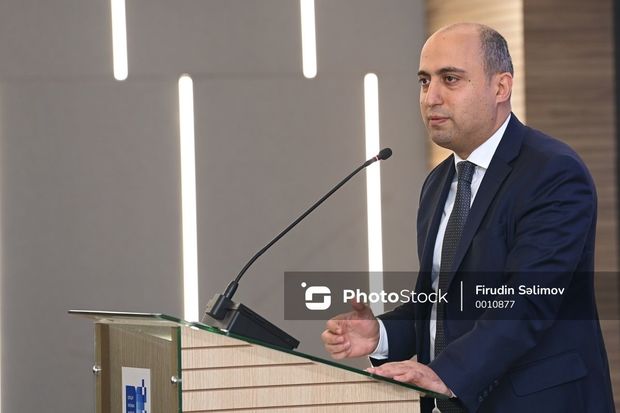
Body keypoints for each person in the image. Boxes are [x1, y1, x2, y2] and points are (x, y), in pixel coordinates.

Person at [321, 23, 615, 413]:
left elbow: (527, 301)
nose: (431, 97)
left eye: (450, 79)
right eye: (424, 81)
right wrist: (383, 335)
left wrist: (447, 374)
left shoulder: (552, 172)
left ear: (501, 87)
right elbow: (444, 301)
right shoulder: (438, 182)